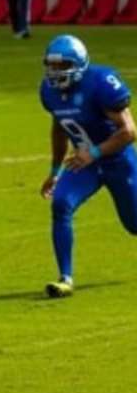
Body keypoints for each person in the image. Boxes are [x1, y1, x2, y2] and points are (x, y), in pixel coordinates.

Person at [38, 35, 137, 299]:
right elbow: (59, 128)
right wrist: (54, 171)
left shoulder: (101, 83)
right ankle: (65, 278)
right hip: (84, 162)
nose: (55, 73)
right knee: (60, 204)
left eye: (62, 66)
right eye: (51, 66)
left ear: (79, 65)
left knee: (134, 225)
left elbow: (129, 131)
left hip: (117, 161)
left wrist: (94, 152)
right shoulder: (49, 91)